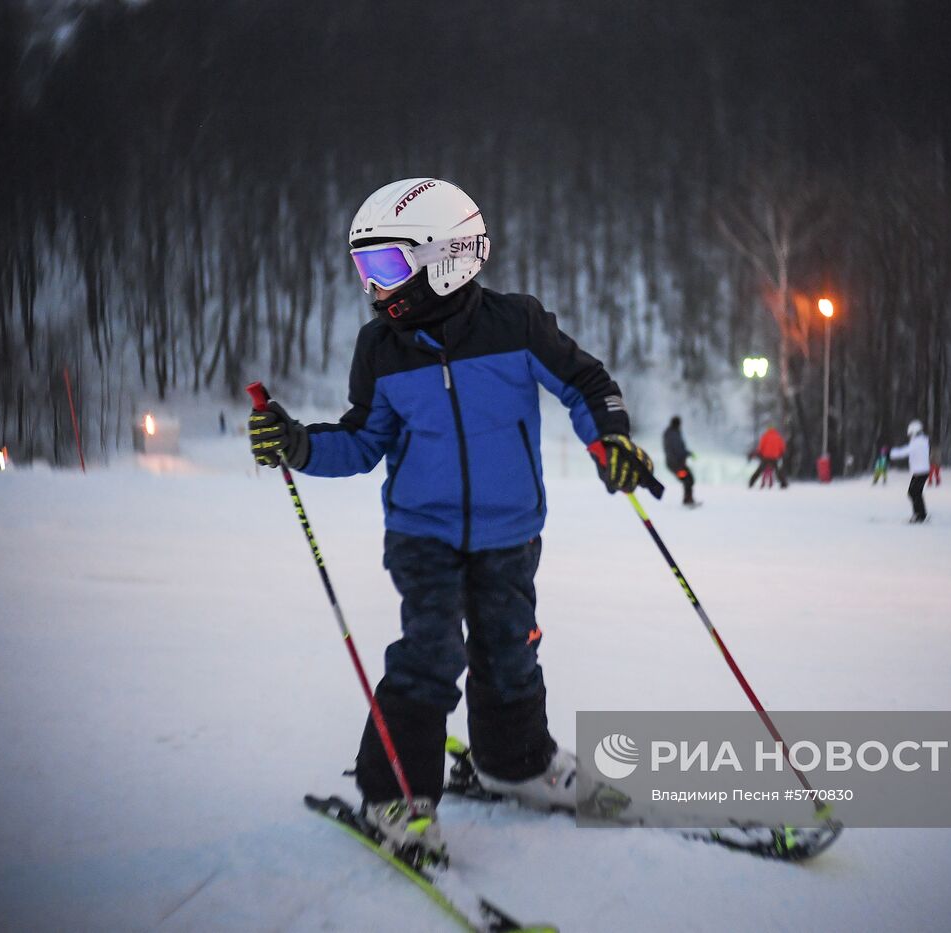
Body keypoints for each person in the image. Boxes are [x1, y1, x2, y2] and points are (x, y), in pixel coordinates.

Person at [248, 178, 656, 863]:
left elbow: (586, 382)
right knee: (432, 651)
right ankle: (396, 793)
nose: (375, 289)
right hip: (423, 533)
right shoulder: (381, 348)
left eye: (385, 268)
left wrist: (608, 436)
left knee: (509, 648)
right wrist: (298, 444)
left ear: (447, 257)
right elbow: (361, 441)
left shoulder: (516, 324)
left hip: (510, 530)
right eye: (365, 271)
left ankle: (515, 761)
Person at [889, 419, 930, 522]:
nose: (910, 435)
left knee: (913, 492)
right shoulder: (921, 441)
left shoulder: (918, 443)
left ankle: (919, 514)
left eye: (911, 433)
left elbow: (905, 451)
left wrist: (892, 453)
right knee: (915, 492)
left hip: (920, 472)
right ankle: (921, 514)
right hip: (920, 471)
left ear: (915, 432)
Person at [662, 415, 698, 506]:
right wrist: (688, 453)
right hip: (676, 464)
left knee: (688, 479)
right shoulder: (673, 434)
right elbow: (678, 449)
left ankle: (688, 499)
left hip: (674, 464)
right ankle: (688, 500)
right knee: (688, 479)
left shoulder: (671, 433)